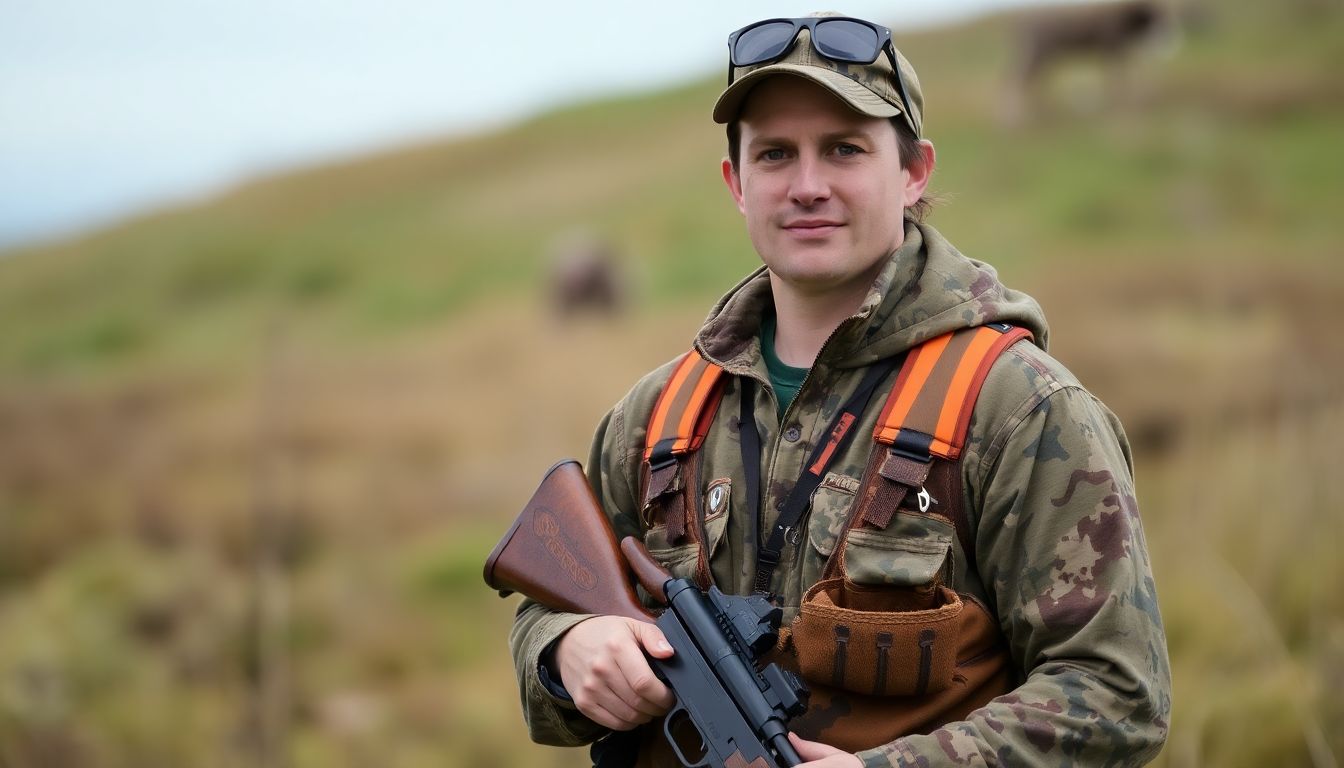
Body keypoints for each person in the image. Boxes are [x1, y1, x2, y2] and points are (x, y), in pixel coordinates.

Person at [508, 12, 1170, 767]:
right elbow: (548, 613)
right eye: (776, 154)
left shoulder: (1020, 409)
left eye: (845, 149)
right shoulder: (654, 419)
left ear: (915, 170)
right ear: (736, 182)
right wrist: (567, 653)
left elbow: (1119, 696)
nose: (808, 186)